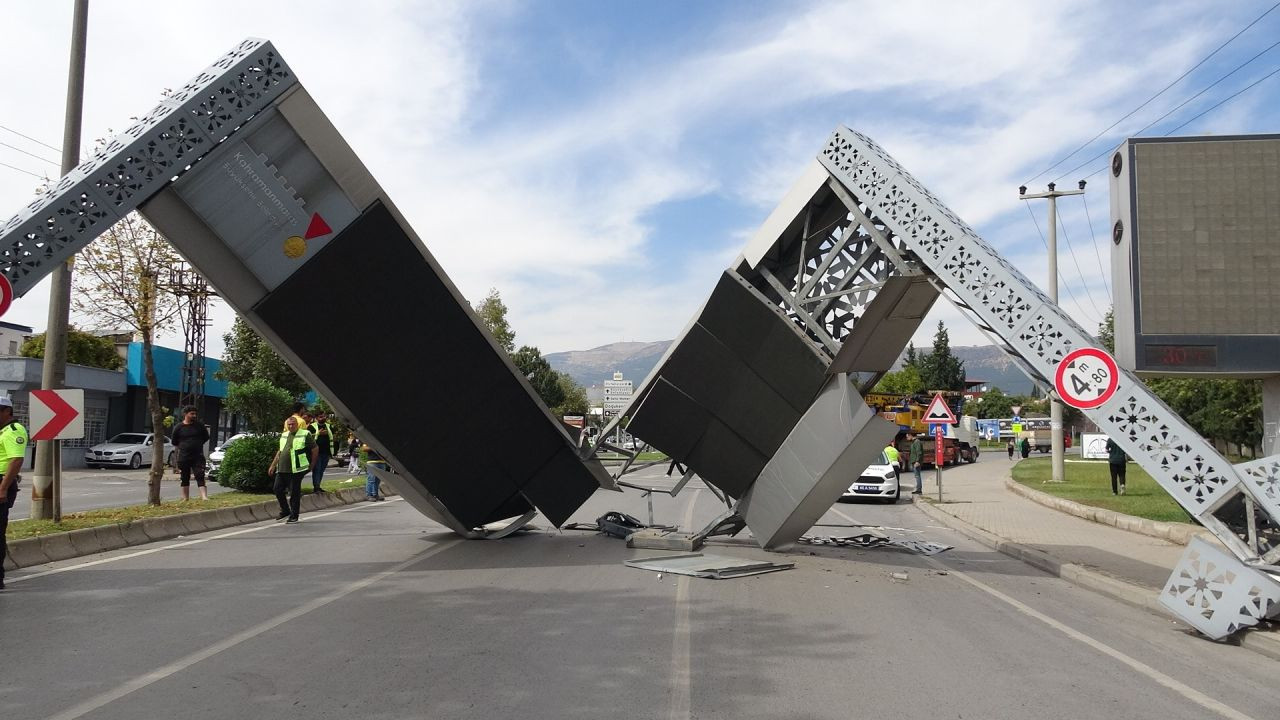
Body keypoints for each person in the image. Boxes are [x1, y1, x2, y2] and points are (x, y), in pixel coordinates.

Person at [0, 396, 29, 591]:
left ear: (6, 411)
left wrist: (2, 488)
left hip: (1, 482)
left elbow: (16, 460)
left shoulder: (13, 430)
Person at [268, 416, 316, 524]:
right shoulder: (284, 435)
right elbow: (280, 451)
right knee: (277, 489)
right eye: (289, 424)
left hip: (296, 469)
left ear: (297, 424)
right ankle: (285, 510)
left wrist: (312, 464)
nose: (290, 426)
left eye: (293, 424)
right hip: (282, 469)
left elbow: (315, 449)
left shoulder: (305, 434)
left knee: (294, 493)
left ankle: (294, 515)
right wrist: (273, 465)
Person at [170, 405, 211, 501]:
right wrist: (184, 446)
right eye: (192, 414)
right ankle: (185, 498)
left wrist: (197, 443)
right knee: (184, 476)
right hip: (184, 456)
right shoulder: (179, 427)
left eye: (195, 414)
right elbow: (174, 441)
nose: (194, 415)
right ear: (185, 414)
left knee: (200, 475)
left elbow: (206, 437)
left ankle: (204, 497)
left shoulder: (199, 425)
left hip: (198, 455)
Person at [308, 410, 335, 493]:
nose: (323, 418)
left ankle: (318, 486)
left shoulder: (329, 426)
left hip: (326, 452)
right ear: (316, 418)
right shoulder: (311, 427)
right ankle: (316, 487)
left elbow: (333, 437)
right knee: (317, 469)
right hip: (316, 453)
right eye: (321, 417)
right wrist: (318, 434)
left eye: (324, 416)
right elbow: (308, 438)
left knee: (321, 470)